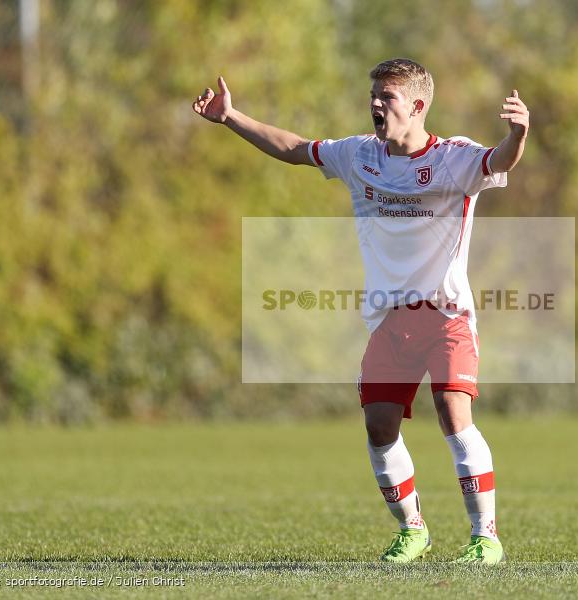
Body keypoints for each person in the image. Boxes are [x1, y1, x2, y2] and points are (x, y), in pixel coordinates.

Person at [193, 58, 528, 564]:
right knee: (378, 426)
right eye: (374, 94)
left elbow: (499, 161)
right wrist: (231, 118)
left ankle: (486, 538)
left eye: (387, 97)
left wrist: (518, 134)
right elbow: (294, 149)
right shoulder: (358, 155)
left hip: (446, 315)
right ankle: (413, 530)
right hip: (390, 320)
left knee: (453, 412)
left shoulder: (454, 158)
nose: (376, 103)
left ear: (417, 106)